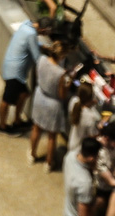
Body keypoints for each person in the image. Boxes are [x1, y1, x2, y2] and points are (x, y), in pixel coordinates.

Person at [30, 38, 70, 168]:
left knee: (36, 128)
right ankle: (48, 162)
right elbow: (62, 95)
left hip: (39, 96)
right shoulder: (60, 73)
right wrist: (67, 85)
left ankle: (32, 154)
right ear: (62, 56)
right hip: (53, 104)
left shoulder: (41, 60)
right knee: (52, 136)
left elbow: (38, 76)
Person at [0, 17, 41, 134]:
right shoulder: (32, 34)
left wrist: (41, 45)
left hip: (12, 67)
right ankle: (2, 125)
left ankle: (17, 120)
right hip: (15, 72)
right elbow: (37, 57)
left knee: (24, 94)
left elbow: (32, 44)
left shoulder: (26, 24)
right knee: (6, 100)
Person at [65, 135, 102, 216]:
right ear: (91, 158)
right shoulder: (85, 183)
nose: (98, 159)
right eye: (97, 156)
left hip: (67, 209)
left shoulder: (69, 156)